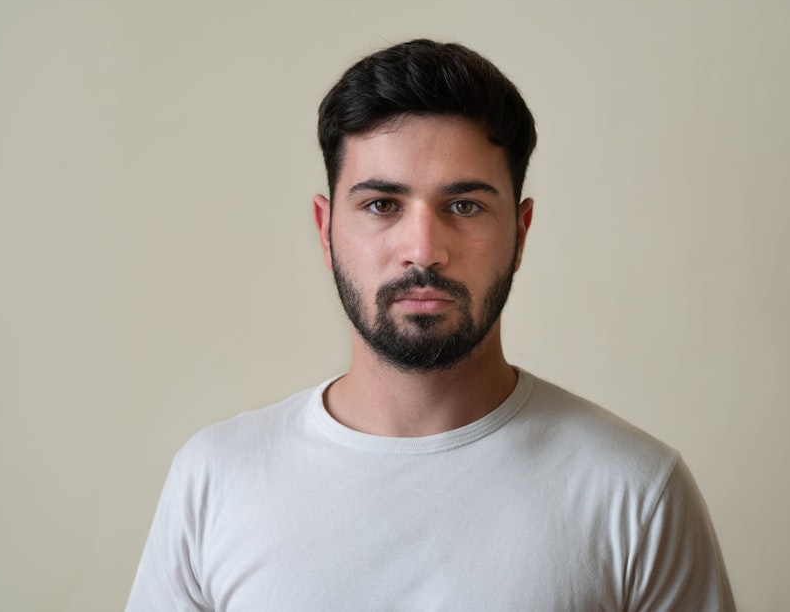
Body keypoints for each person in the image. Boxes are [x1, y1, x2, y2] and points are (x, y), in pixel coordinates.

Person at [126, 39, 735, 611]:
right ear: (326, 229)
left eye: (464, 207)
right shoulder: (215, 480)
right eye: (381, 205)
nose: (423, 250)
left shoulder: (636, 493)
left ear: (520, 234)